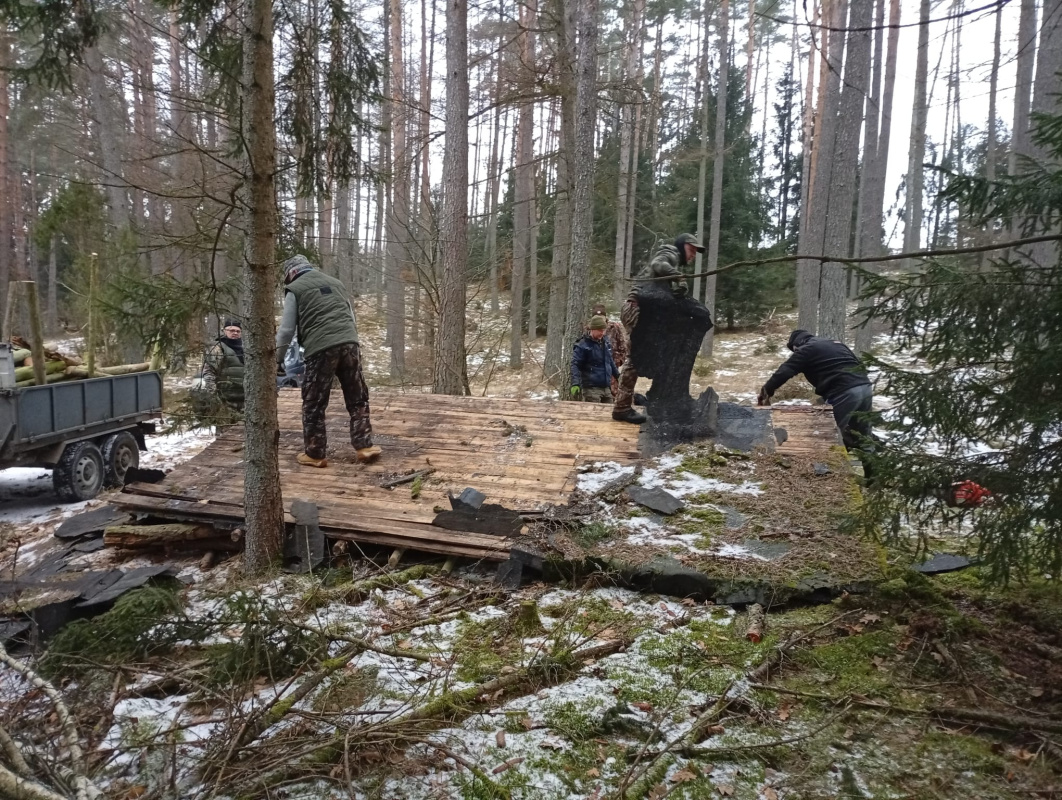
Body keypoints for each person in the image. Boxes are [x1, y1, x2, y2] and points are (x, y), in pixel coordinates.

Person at [276, 255, 381, 468]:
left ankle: (315, 454)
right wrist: (349, 340)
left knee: (314, 402)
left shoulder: (295, 289)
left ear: (291, 273)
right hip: (350, 342)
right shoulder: (337, 283)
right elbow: (351, 318)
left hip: (320, 348)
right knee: (357, 397)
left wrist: (277, 360)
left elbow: (286, 330)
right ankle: (364, 446)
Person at [613, 233, 705, 424]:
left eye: (696, 252)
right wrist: (679, 277)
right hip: (636, 309)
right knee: (636, 358)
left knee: (655, 354)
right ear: (681, 246)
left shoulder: (672, 262)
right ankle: (622, 408)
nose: (693, 255)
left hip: (641, 310)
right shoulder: (670, 253)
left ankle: (654, 399)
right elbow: (658, 264)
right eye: (691, 250)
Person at [757, 329, 874, 451]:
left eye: (794, 349)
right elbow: (857, 363)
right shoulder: (836, 343)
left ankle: (830, 460)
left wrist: (766, 391)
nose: (794, 352)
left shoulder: (806, 349)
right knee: (863, 434)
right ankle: (870, 460)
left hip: (843, 392)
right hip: (865, 387)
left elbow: (785, 370)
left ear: (796, 344)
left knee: (828, 431)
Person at [571, 315, 620, 403]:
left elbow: (610, 361)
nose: (602, 333)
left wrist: (618, 376)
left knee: (609, 410)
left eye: (604, 330)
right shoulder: (582, 345)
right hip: (591, 388)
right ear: (592, 329)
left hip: (606, 387)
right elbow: (575, 364)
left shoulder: (605, 342)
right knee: (593, 411)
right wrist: (575, 383)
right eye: (600, 330)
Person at [202, 318, 245, 410]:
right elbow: (209, 372)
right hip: (226, 398)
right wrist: (214, 396)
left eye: (238, 331)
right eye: (231, 330)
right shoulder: (218, 348)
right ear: (224, 331)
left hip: (246, 398)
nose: (235, 333)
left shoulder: (247, 348)